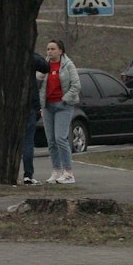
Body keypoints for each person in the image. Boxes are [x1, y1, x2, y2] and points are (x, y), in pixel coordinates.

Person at [41, 39, 81, 185]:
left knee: (60, 138)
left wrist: (65, 99)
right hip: (47, 105)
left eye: (52, 49)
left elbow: (76, 85)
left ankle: (68, 172)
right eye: (48, 49)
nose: (49, 52)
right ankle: (56, 170)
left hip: (63, 105)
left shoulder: (68, 65)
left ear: (60, 51)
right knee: (51, 140)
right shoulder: (44, 65)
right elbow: (39, 84)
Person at [21, 50, 48, 185]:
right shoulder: (29, 57)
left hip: (10, 105)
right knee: (28, 141)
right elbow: (44, 66)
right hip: (29, 104)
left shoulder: (5, 55)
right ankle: (28, 174)